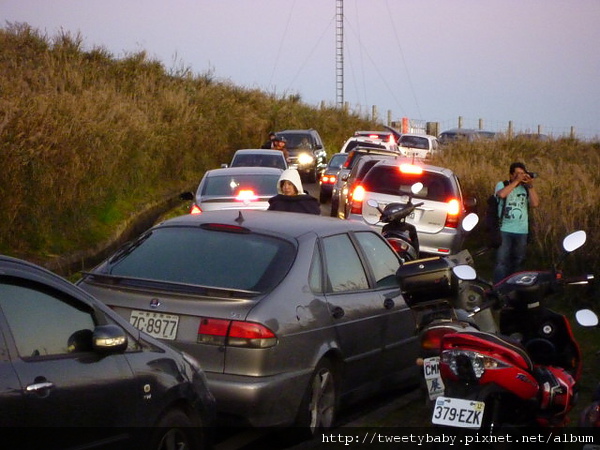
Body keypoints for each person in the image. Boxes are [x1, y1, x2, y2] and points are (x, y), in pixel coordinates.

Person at [492, 162, 540, 283]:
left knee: (519, 261)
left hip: (522, 230)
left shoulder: (525, 188)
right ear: (511, 174)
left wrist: (530, 186)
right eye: (518, 174)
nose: (521, 176)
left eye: (523, 174)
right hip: (505, 229)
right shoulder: (502, 184)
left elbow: (535, 203)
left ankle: (514, 287)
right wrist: (516, 182)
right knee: (502, 261)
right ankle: (499, 287)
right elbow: (501, 194)